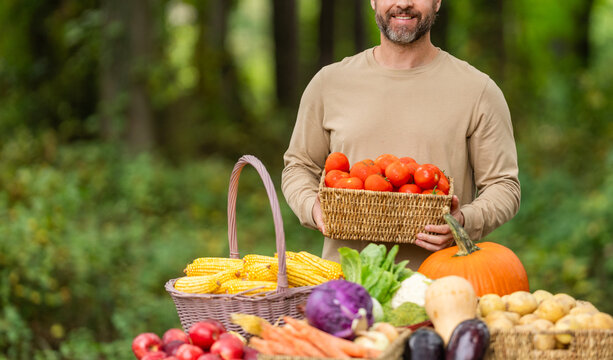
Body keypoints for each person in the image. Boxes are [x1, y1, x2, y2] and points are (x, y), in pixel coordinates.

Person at [281, 0, 520, 270]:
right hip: (346, 288)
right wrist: (313, 208)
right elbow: (298, 166)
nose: (404, 3)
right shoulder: (329, 83)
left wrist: (464, 220)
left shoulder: (479, 91)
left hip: (442, 288)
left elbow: (504, 186)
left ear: (437, 2)